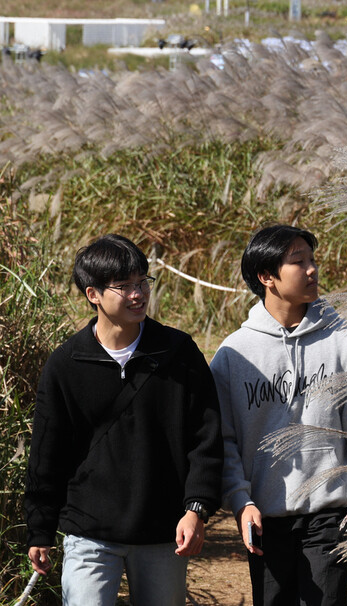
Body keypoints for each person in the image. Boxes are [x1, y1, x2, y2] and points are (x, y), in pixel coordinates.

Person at [24, 234, 223, 606]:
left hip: (163, 532)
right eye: (124, 286)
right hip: (89, 532)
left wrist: (196, 508)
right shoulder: (66, 364)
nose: (138, 294)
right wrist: (40, 529)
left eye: (142, 282)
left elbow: (205, 437)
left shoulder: (178, 353)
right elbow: (47, 453)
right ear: (93, 294)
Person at [211, 224, 347, 606]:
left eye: (312, 260)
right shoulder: (233, 354)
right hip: (264, 518)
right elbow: (224, 440)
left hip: (332, 513)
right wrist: (241, 502)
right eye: (298, 262)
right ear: (266, 277)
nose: (312, 270)